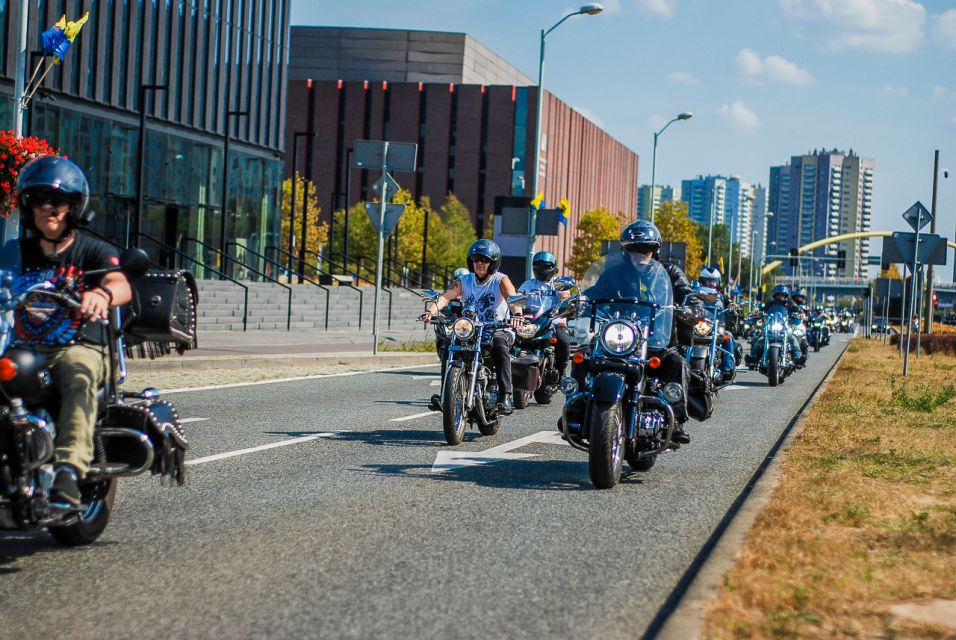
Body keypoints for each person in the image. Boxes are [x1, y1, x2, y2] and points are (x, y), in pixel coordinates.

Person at [9, 156, 132, 507]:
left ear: (74, 207)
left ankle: (68, 471)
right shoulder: (15, 252)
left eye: (58, 201)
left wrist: (102, 293)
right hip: (22, 349)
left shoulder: (92, 249)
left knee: (79, 375)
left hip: (78, 347)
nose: (48, 207)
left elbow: (121, 283)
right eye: (39, 199)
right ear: (27, 204)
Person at [580, 220, 698, 444]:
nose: (640, 254)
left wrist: (691, 303)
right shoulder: (614, 273)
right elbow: (596, 292)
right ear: (626, 250)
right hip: (620, 336)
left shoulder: (670, 273)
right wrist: (580, 300)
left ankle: (678, 421)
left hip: (656, 339)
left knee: (677, 363)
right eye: (634, 249)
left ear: (655, 250)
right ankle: (578, 406)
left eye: (646, 248)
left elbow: (684, 291)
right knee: (585, 356)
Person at [420, 240, 522, 414]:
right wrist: (431, 312)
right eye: (476, 259)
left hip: (498, 328)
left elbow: (512, 297)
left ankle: (506, 395)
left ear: (493, 262)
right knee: (447, 345)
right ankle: (445, 395)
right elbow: (446, 296)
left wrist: (517, 315)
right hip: (470, 330)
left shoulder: (500, 280)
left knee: (499, 343)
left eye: (484, 260)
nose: (480, 263)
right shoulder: (464, 280)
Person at [517, 251, 572, 379]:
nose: (541, 269)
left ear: (553, 268)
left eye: (545, 266)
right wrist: (516, 303)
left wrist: (563, 298)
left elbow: (564, 296)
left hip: (554, 320)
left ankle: (561, 371)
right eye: (538, 266)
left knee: (563, 339)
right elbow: (518, 297)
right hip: (532, 322)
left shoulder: (557, 283)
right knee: (514, 338)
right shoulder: (529, 284)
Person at [428, 267, 470, 411]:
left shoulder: (471, 296)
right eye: (456, 281)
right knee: (446, 354)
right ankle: (444, 396)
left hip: (473, 334)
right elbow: (443, 302)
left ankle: (502, 394)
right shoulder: (452, 297)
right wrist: (433, 314)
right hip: (454, 334)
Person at [746, 284, 804, 368]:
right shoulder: (769, 304)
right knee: (759, 340)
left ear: (785, 296)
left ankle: (797, 359)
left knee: (793, 340)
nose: (780, 297)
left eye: (782, 295)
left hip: (784, 328)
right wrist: (757, 312)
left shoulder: (790, 304)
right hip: (771, 326)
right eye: (778, 295)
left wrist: (800, 313)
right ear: (775, 296)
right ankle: (753, 358)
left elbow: (797, 309)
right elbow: (762, 309)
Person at [698, 265, 738, 378]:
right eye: (708, 281)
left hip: (716, 325)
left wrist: (733, 307)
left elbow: (730, 304)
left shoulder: (722, 297)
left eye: (714, 281)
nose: (711, 284)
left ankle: (727, 368)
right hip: (699, 324)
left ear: (718, 282)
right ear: (702, 281)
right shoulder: (695, 293)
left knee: (728, 336)